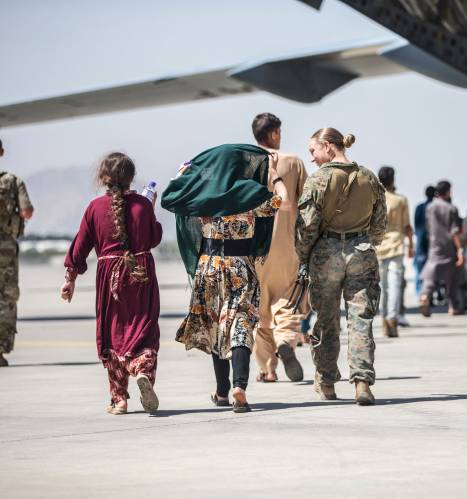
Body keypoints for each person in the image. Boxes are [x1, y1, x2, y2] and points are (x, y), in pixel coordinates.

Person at [162, 144, 286, 413]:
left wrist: (184, 174)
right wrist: (275, 175)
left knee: (219, 327)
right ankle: (239, 386)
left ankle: (221, 392)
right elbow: (282, 201)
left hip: (208, 268)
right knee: (240, 324)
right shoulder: (251, 193)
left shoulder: (205, 194)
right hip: (241, 266)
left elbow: (168, 198)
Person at [60, 152, 161, 414]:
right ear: (131, 177)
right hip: (141, 273)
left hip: (109, 277)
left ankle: (119, 399)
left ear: (104, 178)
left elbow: (80, 246)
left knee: (114, 333)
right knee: (144, 328)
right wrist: (151, 207)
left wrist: (69, 280)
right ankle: (142, 372)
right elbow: (154, 238)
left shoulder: (94, 208)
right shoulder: (142, 204)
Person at [295, 127, 386, 406]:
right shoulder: (369, 177)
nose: (311, 158)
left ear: (327, 146)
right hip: (361, 251)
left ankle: (326, 382)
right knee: (360, 320)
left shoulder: (318, 180)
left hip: (326, 254)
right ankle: (362, 383)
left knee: (326, 320)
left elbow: (306, 227)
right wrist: (366, 239)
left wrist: (303, 256)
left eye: (313, 150)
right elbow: (380, 223)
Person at [250, 113, 309, 383]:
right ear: (274, 134)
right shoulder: (294, 162)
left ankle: (267, 369)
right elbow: (308, 203)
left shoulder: (244, 163)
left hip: (252, 248)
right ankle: (285, 340)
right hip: (287, 246)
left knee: (260, 310)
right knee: (289, 301)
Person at [0, 139, 34, 367]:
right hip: (5, 249)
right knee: (6, 298)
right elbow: (27, 211)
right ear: (1, 152)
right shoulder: (12, 182)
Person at [376, 166, 413, 338]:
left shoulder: (375, 199)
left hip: (377, 246)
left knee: (383, 286)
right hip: (397, 244)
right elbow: (407, 227)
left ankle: (385, 320)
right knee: (395, 284)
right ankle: (392, 319)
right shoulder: (400, 200)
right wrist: (411, 245)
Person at [419, 180, 464, 317]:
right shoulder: (451, 208)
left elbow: (427, 227)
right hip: (449, 247)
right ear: (448, 191)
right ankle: (453, 306)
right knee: (452, 278)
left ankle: (425, 295)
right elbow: (454, 231)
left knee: (431, 273)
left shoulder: (430, 207)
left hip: (434, 245)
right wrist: (460, 250)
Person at [413, 185, 435, 298]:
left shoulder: (419, 207)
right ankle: (432, 294)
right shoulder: (434, 207)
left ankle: (420, 294)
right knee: (432, 269)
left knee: (419, 268)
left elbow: (416, 227)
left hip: (421, 242)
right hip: (433, 242)